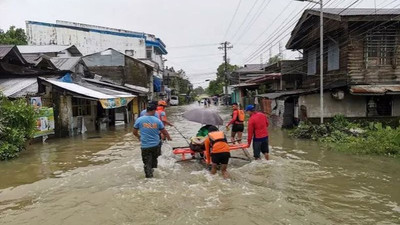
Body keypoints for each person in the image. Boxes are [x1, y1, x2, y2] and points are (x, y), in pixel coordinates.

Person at [133, 104, 172, 178]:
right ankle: (154, 175)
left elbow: (134, 132)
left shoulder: (139, 120)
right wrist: (169, 137)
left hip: (145, 146)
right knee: (154, 162)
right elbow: (164, 131)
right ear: (153, 110)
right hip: (155, 145)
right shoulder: (157, 120)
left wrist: (139, 137)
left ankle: (149, 178)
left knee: (147, 163)